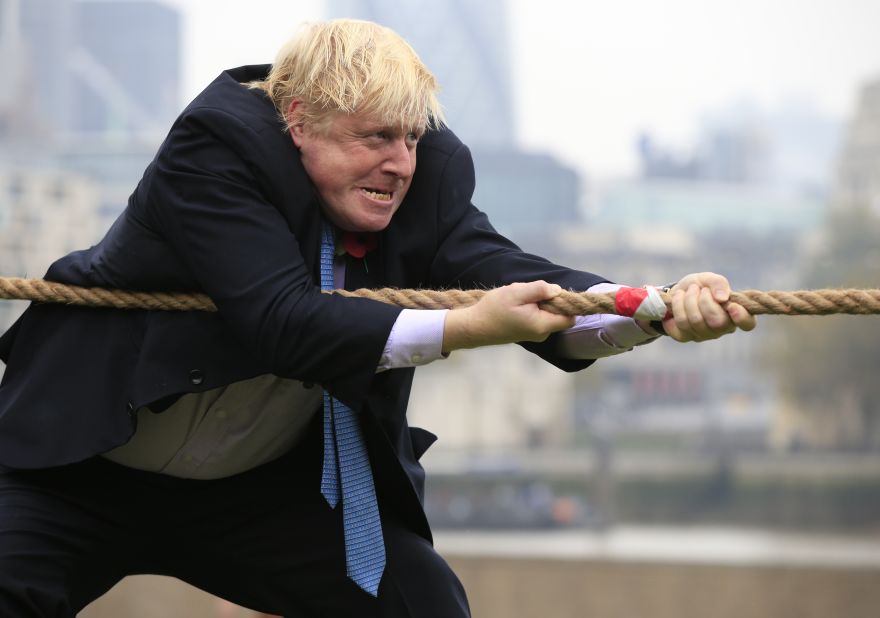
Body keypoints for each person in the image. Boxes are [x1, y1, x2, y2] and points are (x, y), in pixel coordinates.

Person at [0, 18, 755, 618]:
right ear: (297, 119)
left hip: (258, 491)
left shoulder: (426, 176)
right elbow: (281, 323)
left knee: (423, 605)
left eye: (411, 138)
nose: (400, 163)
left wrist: (650, 309)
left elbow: (523, 283)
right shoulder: (216, 146)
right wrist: (467, 329)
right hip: (81, 468)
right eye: (375, 138)